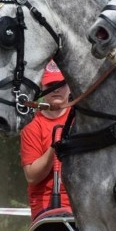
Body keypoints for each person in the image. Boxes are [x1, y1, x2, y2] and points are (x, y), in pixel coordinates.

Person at [20, 60, 72, 219]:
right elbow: (32, 176)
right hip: (47, 208)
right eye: (50, 85)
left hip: (85, 202)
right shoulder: (32, 124)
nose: (56, 90)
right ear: (42, 88)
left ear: (70, 86)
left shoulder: (81, 118)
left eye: (60, 84)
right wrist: (54, 147)